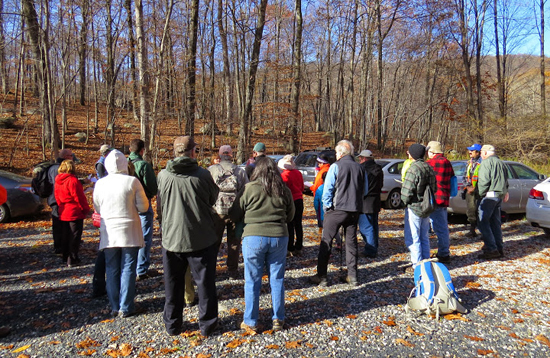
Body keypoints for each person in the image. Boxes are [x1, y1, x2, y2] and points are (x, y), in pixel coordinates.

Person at [157, 136, 220, 337]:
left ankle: (172, 325)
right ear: (193, 152)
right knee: (205, 284)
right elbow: (213, 198)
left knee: (173, 284)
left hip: (172, 237)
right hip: (200, 237)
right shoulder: (202, 175)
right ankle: (207, 325)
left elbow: (160, 206)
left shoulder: (163, 176)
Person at [229, 157, 295, 332]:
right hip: (279, 237)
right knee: (277, 279)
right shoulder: (283, 189)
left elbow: (235, 213)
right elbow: (290, 216)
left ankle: (250, 321)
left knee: (252, 280)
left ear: (257, 170)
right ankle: (278, 319)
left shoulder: (249, 189)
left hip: (253, 237)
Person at [93, 150, 149, 317]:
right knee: (128, 268)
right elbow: (144, 207)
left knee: (111, 268)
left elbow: (97, 208)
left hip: (109, 232)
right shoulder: (132, 182)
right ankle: (126, 306)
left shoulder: (100, 184)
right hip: (129, 231)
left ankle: (115, 305)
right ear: (125, 163)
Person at [310, 140, 366, 287]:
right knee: (351, 243)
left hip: (337, 209)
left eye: (336, 153)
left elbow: (327, 189)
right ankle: (352, 276)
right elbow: (364, 190)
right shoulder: (360, 168)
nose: (335, 155)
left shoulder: (336, 166)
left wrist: (327, 207)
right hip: (354, 210)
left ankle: (322, 275)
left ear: (340, 153)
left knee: (326, 242)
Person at [208, 144, 248, 278]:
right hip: (235, 212)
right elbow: (245, 191)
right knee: (234, 242)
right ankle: (232, 270)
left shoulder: (211, 170)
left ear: (219, 155)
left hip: (216, 212)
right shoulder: (240, 171)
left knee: (214, 242)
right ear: (231, 155)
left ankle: (211, 270)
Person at [401, 144, 436, 272]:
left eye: (409, 152)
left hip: (414, 207)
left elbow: (407, 190)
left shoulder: (413, 169)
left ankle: (416, 265)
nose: (408, 154)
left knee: (413, 237)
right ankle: (426, 262)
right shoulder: (429, 167)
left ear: (413, 154)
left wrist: (404, 202)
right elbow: (434, 188)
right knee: (424, 236)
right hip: (427, 206)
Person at [129, 139, 158, 281]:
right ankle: (141, 269)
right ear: (142, 151)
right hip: (143, 205)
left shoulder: (123, 164)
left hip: (126, 206)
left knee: (129, 237)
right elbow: (153, 186)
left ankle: (130, 267)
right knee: (144, 237)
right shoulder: (143, 165)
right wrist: (149, 195)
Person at [54, 159, 90, 267]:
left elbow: (56, 195)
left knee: (65, 234)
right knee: (74, 235)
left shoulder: (58, 181)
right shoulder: (73, 180)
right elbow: (79, 196)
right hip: (74, 210)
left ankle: (65, 256)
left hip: (63, 209)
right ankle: (72, 258)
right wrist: (85, 209)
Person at [476, 144, 508, 259]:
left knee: (483, 222)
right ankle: (499, 248)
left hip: (489, 196)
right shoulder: (501, 163)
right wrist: (505, 191)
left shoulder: (486, 163)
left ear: (484, 153)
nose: (480, 155)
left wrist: (478, 194)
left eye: (481, 153)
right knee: (495, 223)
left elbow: (484, 181)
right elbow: (505, 179)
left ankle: (491, 248)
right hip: (499, 196)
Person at [426, 141, 454, 263]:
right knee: (442, 228)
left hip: (433, 199)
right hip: (444, 198)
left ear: (432, 152)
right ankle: (444, 252)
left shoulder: (429, 164)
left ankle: (443, 254)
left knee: (436, 228)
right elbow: (452, 179)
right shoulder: (447, 162)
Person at [357, 150, 384, 258]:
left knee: (365, 227)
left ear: (363, 158)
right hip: (376, 200)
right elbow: (381, 184)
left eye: (360, 158)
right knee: (374, 225)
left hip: (365, 201)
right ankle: (374, 246)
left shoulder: (363, 169)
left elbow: (360, 186)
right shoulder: (378, 169)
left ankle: (371, 249)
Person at [48, 149, 74, 254]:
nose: (72, 157)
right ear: (65, 157)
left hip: (57, 199)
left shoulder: (55, 167)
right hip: (57, 200)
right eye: (71, 156)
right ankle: (59, 246)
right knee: (58, 224)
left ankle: (63, 245)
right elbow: (60, 184)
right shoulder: (57, 168)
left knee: (62, 225)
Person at [278, 155, 304, 256]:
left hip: (290, 201)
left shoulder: (284, 175)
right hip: (299, 199)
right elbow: (302, 187)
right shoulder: (298, 173)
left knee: (289, 224)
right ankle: (299, 246)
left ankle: (290, 247)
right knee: (298, 224)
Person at [464, 143, 482, 237]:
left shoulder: (483, 163)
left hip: (480, 191)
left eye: (472, 150)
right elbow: (465, 176)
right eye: (469, 150)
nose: (470, 152)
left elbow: (484, 178)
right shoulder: (469, 163)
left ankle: (484, 231)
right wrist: (467, 186)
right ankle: (472, 230)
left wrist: (475, 187)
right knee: (470, 210)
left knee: (481, 211)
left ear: (478, 152)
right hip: (470, 190)